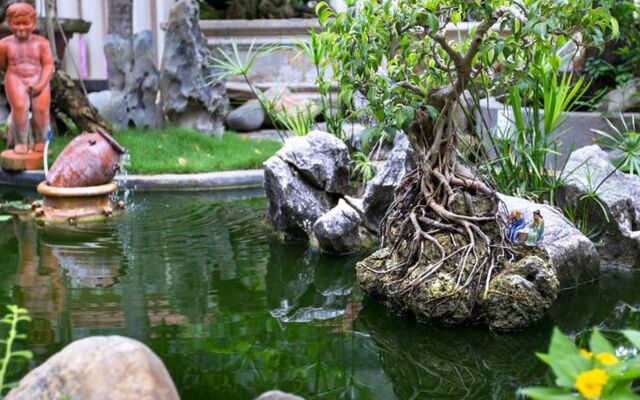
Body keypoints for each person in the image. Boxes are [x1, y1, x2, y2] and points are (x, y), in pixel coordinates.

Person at [0, 2, 54, 155]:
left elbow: (48, 65)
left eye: (25, 23)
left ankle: (41, 141)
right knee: (19, 108)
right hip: (15, 78)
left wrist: (41, 83)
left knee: (42, 109)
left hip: (39, 77)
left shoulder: (42, 43)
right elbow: (3, 64)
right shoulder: (4, 44)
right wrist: (14, 75)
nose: (21, 27)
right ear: (9, 23)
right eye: (17, 24)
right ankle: (21, 142)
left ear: (34, 22)